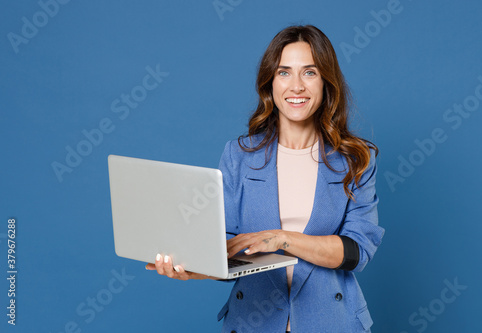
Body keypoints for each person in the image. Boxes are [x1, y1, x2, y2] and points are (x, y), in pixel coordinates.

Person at [146, 25, 384, 333]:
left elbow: (357, 251)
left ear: (326, 81)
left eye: (309, 73)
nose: (296, 86)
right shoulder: (239, 155)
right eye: (284, 73)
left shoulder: (356, 158)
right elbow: (227, 249)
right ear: (269, 83)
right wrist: (194, 270)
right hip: (252, 321)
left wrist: (284, 238)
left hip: (331, 322)